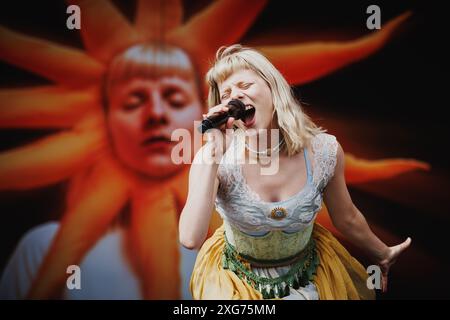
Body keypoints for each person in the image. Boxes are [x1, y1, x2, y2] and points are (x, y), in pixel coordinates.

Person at [179, 44, 412, 300]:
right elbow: (190, 238)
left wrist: (383, 253)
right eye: (226, 94)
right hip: (237, 285)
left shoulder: (324, 151)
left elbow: (347, 217)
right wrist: (213, 154)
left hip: (309, 274)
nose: (235, 97)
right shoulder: (214, 158)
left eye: (245, 86)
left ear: (272, 88)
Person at [0, 43, 209, 299]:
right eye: (133, 101)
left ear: (206, 115)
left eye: (175, 100)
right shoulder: (43, 248)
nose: (155, 113)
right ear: (105, 121)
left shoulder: (238, 249)